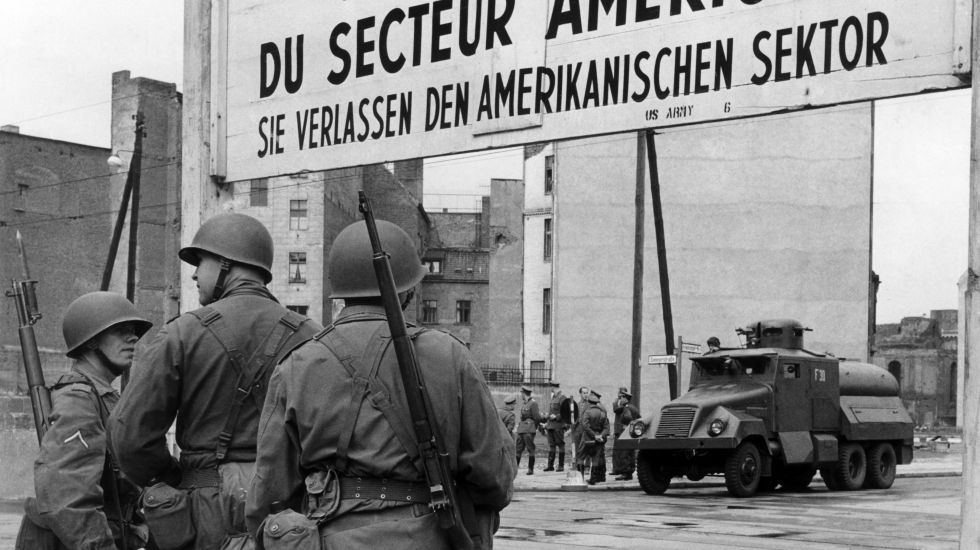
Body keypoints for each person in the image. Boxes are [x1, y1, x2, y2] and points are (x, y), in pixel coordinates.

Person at [245, 219, 515, 549]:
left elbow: (268, 496)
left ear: (340, 290)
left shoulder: (296, 366)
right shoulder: (449, 355)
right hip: (429, 537)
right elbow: (493, 476)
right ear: (409, 290)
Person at [108, 212, 321, 549]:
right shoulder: (312, 335)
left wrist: (174, 476)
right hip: (286, 512)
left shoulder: (183, 332)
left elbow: (129, 437)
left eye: (201, 261)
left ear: (225, 263)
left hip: (203, 510)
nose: (194, 273)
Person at [16, 291, 152, 550]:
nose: (133, 337)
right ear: (90, 342)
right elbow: (67, 497)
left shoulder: (104, 398)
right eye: (121, 330)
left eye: (133, 330)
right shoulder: (79, 400)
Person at [580, 391, 610, 485]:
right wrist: (600, 435)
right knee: (596, 458)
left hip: (587, 438)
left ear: (589, 402)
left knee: (581, 456)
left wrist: (594, 435)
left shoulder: (587, 412)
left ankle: (580, 478)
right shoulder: (602, 412)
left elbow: (585, 425)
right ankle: (593, 478)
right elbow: (607, 427)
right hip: (599, 438)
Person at [516, 385, 545, 475]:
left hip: (529, 430)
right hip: (521, 430)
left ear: (524, 393)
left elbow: (537, 417)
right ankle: (515, 469)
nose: (521, 395)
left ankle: (530, 469)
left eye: (522, 393)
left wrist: (534, 427)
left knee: (530, 449)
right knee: (518, 449)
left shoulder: (533, 403)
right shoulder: (525, 403)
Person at [612, 390, 640, 481]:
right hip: (632, 433)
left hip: (626, 432)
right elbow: (639, 418)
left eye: (622, 397)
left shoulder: (626, 408)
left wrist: (626, 424)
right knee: (630, 453)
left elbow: (627, 418)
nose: (621, 399)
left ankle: (625, 473)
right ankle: (630, 471)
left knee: (624, 452)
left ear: (625, 399)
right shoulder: (634, 408)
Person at [543, 381, 568, 472]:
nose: (550, 389)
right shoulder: (554, 397)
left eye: (551, 388)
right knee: (551, 445)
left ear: (554, 387)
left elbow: (566, 412)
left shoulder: (562, 398)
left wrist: (557, 417)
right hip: (551, 426)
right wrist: (547, 422)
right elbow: (551, 411)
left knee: (560, 445)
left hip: (558, 425)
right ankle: (550, 466)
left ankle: (561, 466)